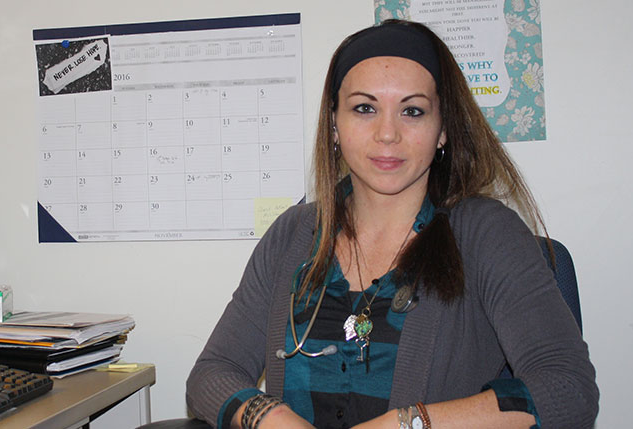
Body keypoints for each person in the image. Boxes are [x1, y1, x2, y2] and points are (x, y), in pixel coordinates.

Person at [186, 20, 598, 429]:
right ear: (334, 124)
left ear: (442, 130)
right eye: (365, 108)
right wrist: (268, 416)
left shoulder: (487, 234)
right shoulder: (292, 234)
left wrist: (408, 423)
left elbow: (567, 389)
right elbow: (212, 373)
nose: (387, 134)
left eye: (412, 111)